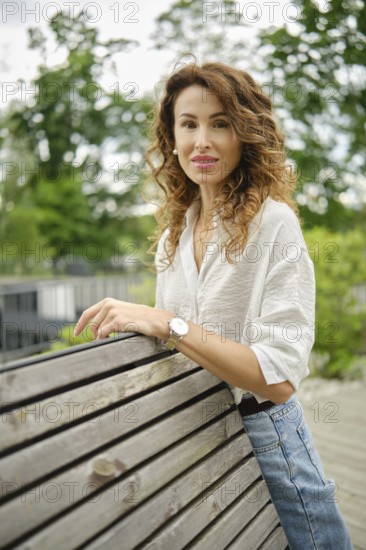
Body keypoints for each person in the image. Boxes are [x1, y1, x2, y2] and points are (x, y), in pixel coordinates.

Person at [74, 61, 353, 549]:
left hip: (270, 438)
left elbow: (280, 379)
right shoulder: (173, 235)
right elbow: (174, 347)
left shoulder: (275, 224)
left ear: (245, 133)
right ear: (172, 136)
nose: (201, 141)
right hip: (199, 434)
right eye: (188, 124)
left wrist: (168, 322)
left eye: (220, 123)